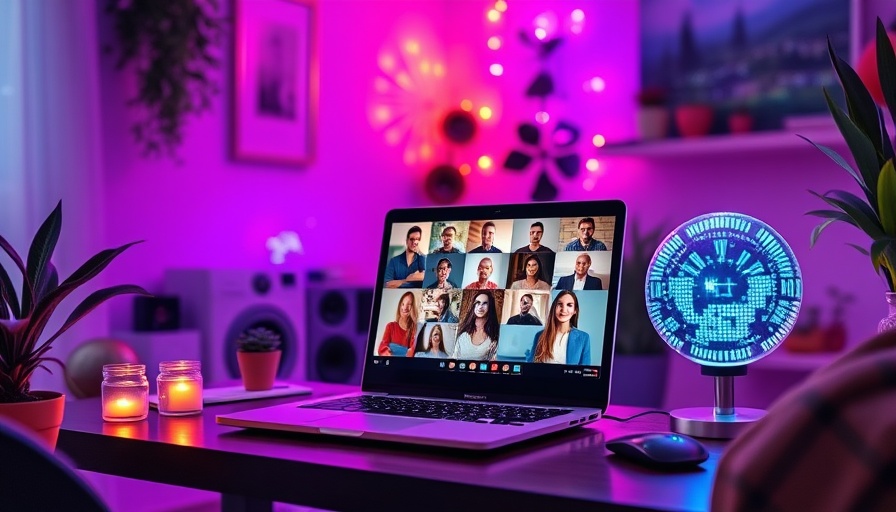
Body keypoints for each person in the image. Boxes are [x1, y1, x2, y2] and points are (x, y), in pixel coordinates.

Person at [527, 290, 590, 365]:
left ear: (575, 311)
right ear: (554, 308)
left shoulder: (584, 338)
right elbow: (530, 367)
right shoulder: (539, 336)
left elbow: (585, 371)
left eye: (569, 305)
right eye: (560, 304)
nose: (563, 309)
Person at [451, 291, 500, 361]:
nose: (480, 306)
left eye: (485, 303)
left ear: (490, 307)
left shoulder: (494, 337)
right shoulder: (463, 335)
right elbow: (453, 359)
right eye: (477, 302)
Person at [377, 291, 419, 357]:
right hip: (391, 363)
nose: (405, 308)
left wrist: (393, 347)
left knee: (392, 346)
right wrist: (388, 351)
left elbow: (412, 353)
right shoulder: (390, 326)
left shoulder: (415, 329)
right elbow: (382, 347)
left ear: (413, 308)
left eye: (409, 304)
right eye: (403, 304)